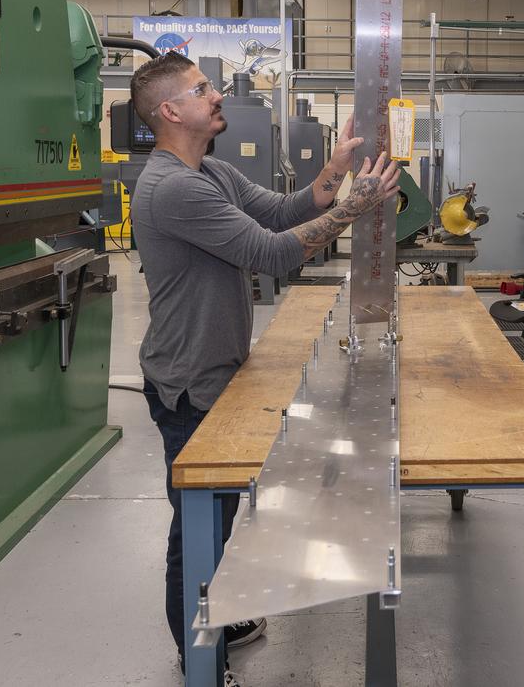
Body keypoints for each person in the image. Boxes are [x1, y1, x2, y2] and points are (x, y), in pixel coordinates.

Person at [128, 51, 400, 683]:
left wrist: (330, 177)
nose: (216, 94)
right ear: (171, 111)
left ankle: (222, 618)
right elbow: (274, 254)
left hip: (216, 365)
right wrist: (355, 206)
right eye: (202, 89)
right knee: (196, 522)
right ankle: (198, 657)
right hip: (188, 381)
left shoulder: (212, 171)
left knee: (223, 510)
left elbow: (279, 211)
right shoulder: (174, 189)